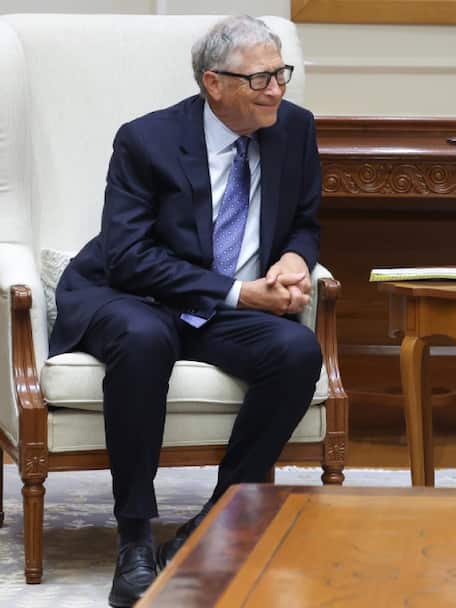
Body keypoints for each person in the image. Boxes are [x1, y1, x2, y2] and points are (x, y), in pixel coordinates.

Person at [48, 16, 323, 608]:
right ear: (213, 83)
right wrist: (240, 293)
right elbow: (128, 258)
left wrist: (296, 257)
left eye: (281, 74)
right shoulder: (146, 140)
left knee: (297, 350)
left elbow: (304, 221)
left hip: (216, 307)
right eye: (260, 79)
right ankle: (134, 539)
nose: (276, 89)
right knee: (144, 339)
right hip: (133, 294)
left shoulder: (295, 128)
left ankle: (219, 518)